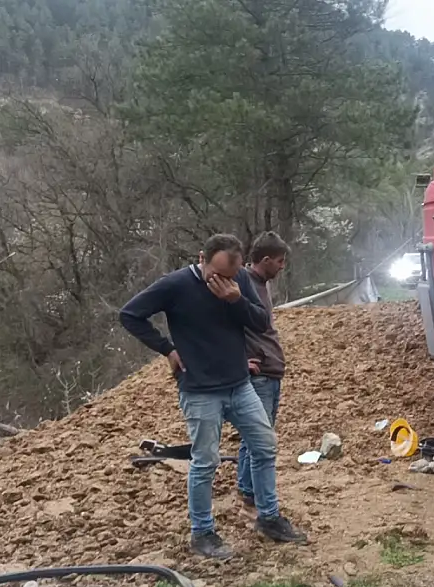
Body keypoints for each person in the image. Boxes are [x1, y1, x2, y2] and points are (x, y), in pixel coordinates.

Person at [119, 234, 306, 559]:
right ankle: (203, 533)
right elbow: (130, 315)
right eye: (215, 274)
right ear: (202, 257)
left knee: (264, 446)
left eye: (229, 277)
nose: (221, 282)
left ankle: (269, 517)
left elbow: (261, 322)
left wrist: (237, 299)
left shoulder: (240, 283)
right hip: (201, 390)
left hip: (239, 384)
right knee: (206, 462)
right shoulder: (175, 285)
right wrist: (167, 349)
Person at [237, 232, 291, 508]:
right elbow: (227, 324)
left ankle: (248, 487)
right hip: (259, 373)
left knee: (257, 435)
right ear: (266, 259)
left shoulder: (261, 283)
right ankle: (252, 493)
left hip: (270, 370)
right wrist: (239, 360)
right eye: (280, 261)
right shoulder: (243, 282)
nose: (283, 267)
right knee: (259, 438)